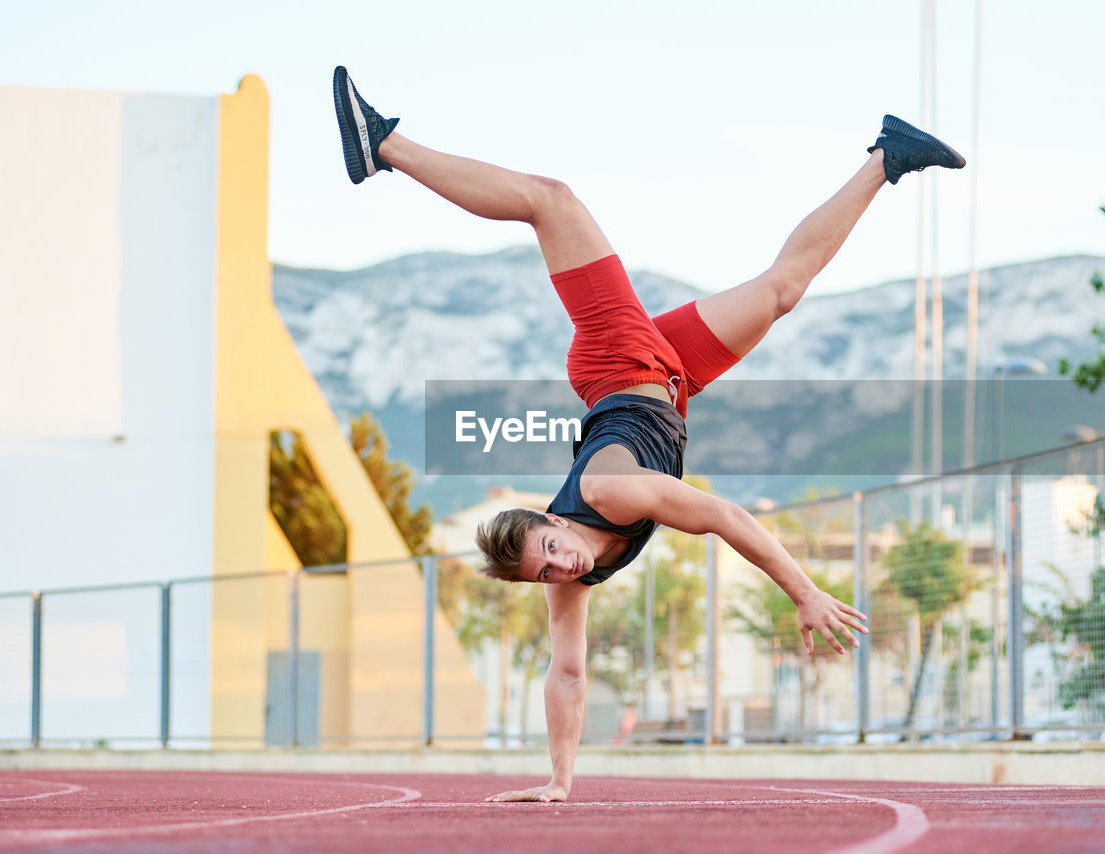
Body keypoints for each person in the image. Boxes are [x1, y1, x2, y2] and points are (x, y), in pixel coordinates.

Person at [333, 66, 965, 802]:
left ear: (548, 518)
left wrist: (803, 592)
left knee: (551, 201)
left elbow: (725, 517)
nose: (560, 570)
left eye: (549, 552)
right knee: (781, 290)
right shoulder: (573, 577)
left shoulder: (607, 491)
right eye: (545, 574)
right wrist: (558, 782)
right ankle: (888, 155)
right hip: (670, 380)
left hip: (619, 360)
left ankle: (385, 147)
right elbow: (566, 672)